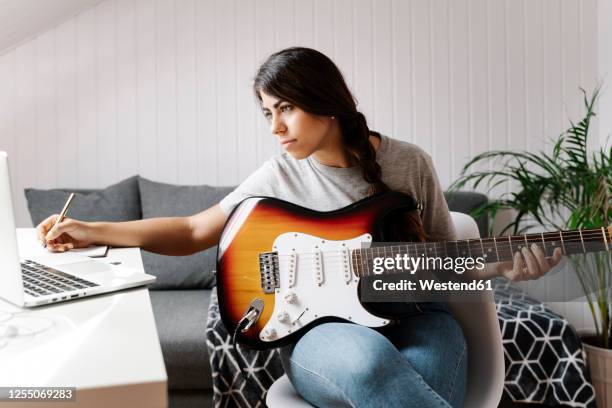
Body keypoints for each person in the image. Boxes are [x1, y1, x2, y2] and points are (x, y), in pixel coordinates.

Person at [37, 47, 562, 407]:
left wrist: (506, 269)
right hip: (322, 332)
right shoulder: (280, 174)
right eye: (267, 111)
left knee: (419, 379)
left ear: (326, 101)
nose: (275, 127)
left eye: (285, 107)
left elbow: (446, 262)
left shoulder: (409, 163)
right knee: (370, 366)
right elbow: (197, 231)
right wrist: (95, 229)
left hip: (420, 316)